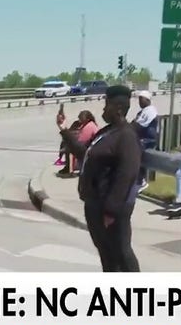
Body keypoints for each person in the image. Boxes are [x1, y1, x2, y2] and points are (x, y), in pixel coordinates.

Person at [56, 85, 142, 272]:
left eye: (107, 105)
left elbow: (126, 175)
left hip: (111, 210)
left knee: (121, 253)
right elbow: (86, 154)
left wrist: (110, 211)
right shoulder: (107, 132)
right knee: (107, 254)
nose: (103, 109)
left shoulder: (126, 136)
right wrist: (64, 131)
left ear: (118, 108)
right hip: (95, 204)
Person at [132, 90, 159, 191]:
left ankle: (141, 181)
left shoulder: (150, 111)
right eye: (138, 99)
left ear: (147, 100)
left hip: (149, 139)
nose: (139, 102)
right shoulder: (143, 111)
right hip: (142, 138)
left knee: (135, 151)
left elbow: (139, 125)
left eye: (141, 99)